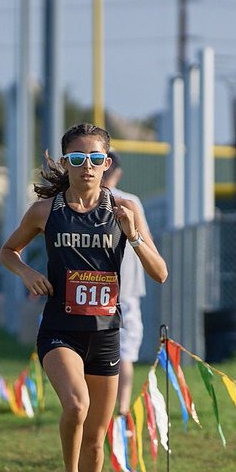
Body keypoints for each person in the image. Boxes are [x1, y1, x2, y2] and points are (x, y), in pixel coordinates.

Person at [0, 123, 168, 472]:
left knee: (98, 438)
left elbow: (160, 272)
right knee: (76, 405)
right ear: (66, 163)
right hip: (60, 330)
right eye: (77, 159)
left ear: (106, 163)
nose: (87, 167)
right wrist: (28, 273)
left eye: (95, 159)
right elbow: (8, 251)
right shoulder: (45, 211)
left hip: (106, 334)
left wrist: (132, 235)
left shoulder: (125, 208)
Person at [102, 151, 148, 418]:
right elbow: (147, 243)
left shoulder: (79, 203)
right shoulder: (129, 202)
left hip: (94, 291)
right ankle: (121, 408)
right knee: (126, 353)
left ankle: (105, 409)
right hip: (125, 290)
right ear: (116, 172)